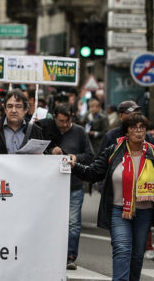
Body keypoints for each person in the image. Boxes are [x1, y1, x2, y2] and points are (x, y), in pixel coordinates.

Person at [72, 113, 154, 281]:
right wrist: (75, 166)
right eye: (133, 128)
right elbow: (94, 172)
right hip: (119, 211)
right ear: (126, 132)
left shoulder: (152, 152)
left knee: (137, 255)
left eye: (142, 128)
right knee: (122, 249)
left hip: (145, 212)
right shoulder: (114, 150)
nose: (138, 131)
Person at [48, 104, 93, 270]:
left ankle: (70, 256)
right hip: (51, 186)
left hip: (74, 185)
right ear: (55, 118)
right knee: (52, 221)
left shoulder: (79, 132)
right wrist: (51, 151)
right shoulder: (48, 129)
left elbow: (90, 155)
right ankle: (51, 253)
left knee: (73, 223)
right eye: (61, 121)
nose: (65, 124)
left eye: (68, 121)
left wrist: (76, 157)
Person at [0, 89, 46, 163]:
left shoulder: (35, 130)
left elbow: (44, 154)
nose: (13, 110)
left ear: (25, 109)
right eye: (10, 106)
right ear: (5, 109)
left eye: (18, 106)